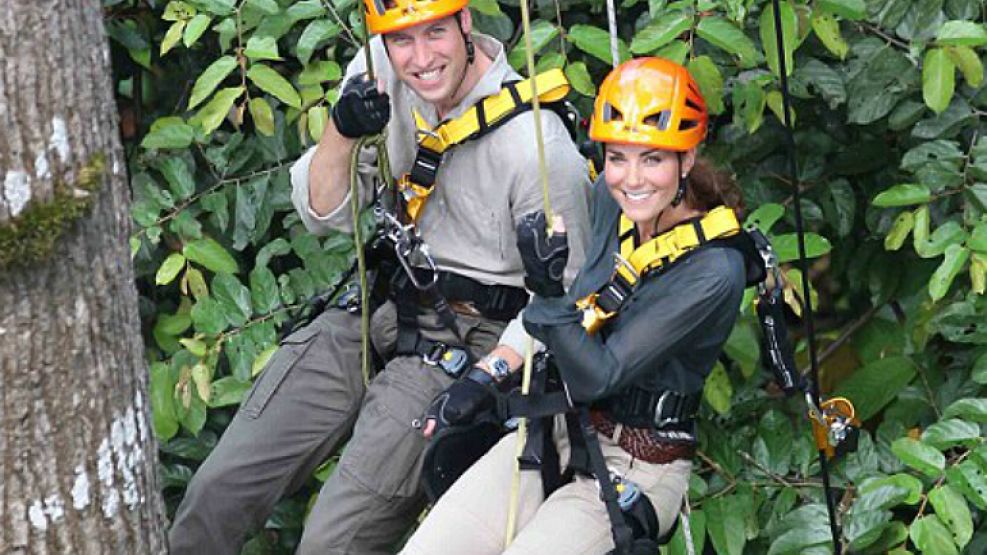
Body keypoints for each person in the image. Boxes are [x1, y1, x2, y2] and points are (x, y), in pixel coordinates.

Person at [167, 0, 591, 552]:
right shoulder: (377, 72)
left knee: (333, 543)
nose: (420, 59)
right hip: (378, 303)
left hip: (467, 337)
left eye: (435, 33)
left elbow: (565, 302)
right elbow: (325, 214)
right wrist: (342, 133)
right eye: (402, 40)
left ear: (466, 24)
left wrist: (485, 382)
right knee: (216, 495)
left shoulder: (538, 146)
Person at [401, 57, 749, 554]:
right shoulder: (612, 203)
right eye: (618, 157)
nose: (632, 179)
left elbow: (598, 374)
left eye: (653, 159)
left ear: (687, 160)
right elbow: (577, 304)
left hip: (638, 466)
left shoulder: (713, 271)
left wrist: (545, 294)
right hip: (558, 431)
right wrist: (485, 377)